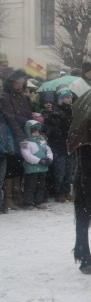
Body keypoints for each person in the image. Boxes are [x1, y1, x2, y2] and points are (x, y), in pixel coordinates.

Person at [0, 69, 34, 210]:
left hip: (23, 133)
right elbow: (11, 118)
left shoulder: (21, 97)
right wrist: (21, 135)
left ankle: (17, 194)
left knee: (19, 165)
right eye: (17, 83)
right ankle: (9, 198)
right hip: (12, 135)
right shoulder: (5, 97)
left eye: (22, 83)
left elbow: (27, 114)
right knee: (12, 166)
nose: (20, 85)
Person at [42, 85, 75, 202]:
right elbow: (54, 130)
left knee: (68, 171)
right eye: (66, 97)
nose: (69, 99)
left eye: (70, 97)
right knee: (59, 172)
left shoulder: (72, 111)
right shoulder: (55, 112)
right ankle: (59, 192)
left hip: (69, 145)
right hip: (59, 146)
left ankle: (66, 191)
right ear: (60, 99)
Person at [20, 120, 53, 210]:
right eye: (33, 131)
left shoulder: (42, 142)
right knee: (30, 186)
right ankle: (28, 202)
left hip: (42, 168)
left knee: (41, 185)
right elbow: (27, 156)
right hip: (32, 168)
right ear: (28, 131)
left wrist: (49, 158)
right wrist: (39, 160)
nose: (36, 133)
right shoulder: (26, 143)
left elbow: (49, 151)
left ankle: (39, 201)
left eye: (38, 131)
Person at [0, 112, 14, 213]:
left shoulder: (4, 125)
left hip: (3, 156)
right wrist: (3, 150)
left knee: (1, 181)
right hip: (2, 153)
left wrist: (10, 148)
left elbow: (9, 136)